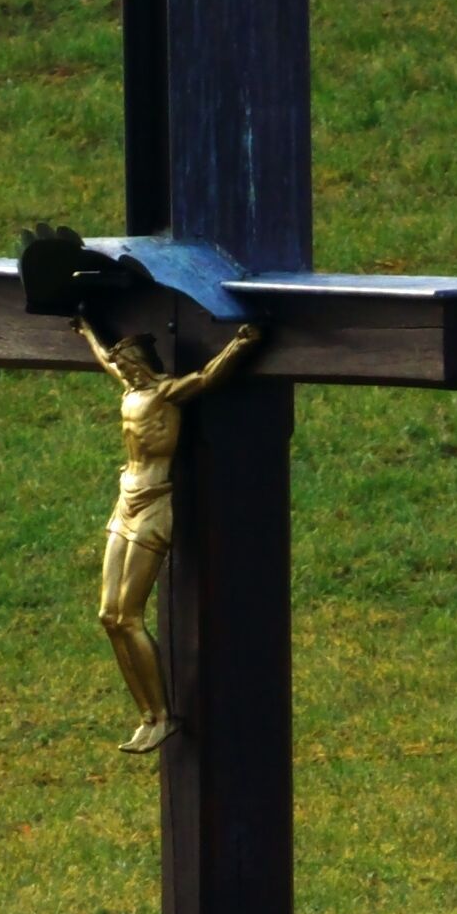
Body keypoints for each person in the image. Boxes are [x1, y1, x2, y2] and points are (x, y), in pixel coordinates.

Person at [78, 313, 264, 749]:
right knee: (109, 616)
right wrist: (86, 326)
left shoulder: (165, 392)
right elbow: (104, 357)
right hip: (124, 500)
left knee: (129, 615)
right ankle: (146, 715)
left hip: (153, 504)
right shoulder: (130, 391)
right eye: (121, 367)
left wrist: (240, 344)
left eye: (128, 365)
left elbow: (205, 378)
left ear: (142, 363)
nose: (121, 370)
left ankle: (161, 714)